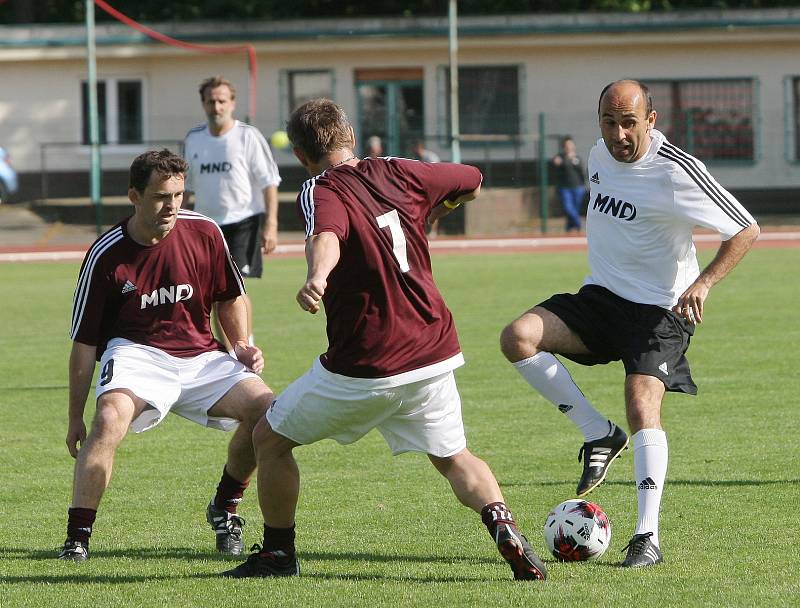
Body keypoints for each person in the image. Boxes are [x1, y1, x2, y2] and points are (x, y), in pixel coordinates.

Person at [222, 99, 547, 581]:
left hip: (368, 362)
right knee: (454, 457)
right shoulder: (401, 170)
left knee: (268, 437)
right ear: (349, 133)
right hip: (434, 349)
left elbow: (326, 235)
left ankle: (277, 554)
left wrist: (317, 276)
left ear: (300, 155)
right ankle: (505, 528)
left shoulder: (318, 188)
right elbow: (472, 179)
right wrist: (437, 206)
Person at [500, 80, 759, 568]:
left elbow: (745, 227)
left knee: (642, 405)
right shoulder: (598, 155)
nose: (618, 134)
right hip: (600, 299)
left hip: (660, 311)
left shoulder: (677, 171)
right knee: (519, 337)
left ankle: (646, 537)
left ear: (651, 120)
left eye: (629, 123)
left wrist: (703, 284)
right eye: (608, 122)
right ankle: (598, 433)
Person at [58, 150, 274, 562]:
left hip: (201, 356)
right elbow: (84, 342)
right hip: (136, 355)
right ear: (134, 196)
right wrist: (73, 416)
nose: (172, 205)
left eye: (178, 194)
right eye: (160, 196)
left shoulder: (205, 231)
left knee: (267, 410)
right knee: (108, 420)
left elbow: (232, 295)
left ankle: (225, 508)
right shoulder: (105, 253)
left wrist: (241, 342)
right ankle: (78, 536)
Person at [184, 75, 282, 349]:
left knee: (235, 290)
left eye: (221, 101)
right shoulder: (194, 139)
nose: (216, 107)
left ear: (232, 103)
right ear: (203, 104)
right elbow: (187, 187)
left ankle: (245, 348)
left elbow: (269, 181)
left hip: (243, 222)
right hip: (206, 226)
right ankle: (230, 353)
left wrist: (271, 225)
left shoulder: (248, 136)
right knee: (216, 296)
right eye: (210, 101)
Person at [551, 136, 586, 233]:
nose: (569, 147)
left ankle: (569, 228)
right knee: (568, 208)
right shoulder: (560, 157)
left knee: (575, 209)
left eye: (570, 145)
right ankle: (580, 224)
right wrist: (565, 160)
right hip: (565, 188)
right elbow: (556, 163)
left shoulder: (577, 158)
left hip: (578, 187)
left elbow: (581, 171)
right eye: (567, 145)